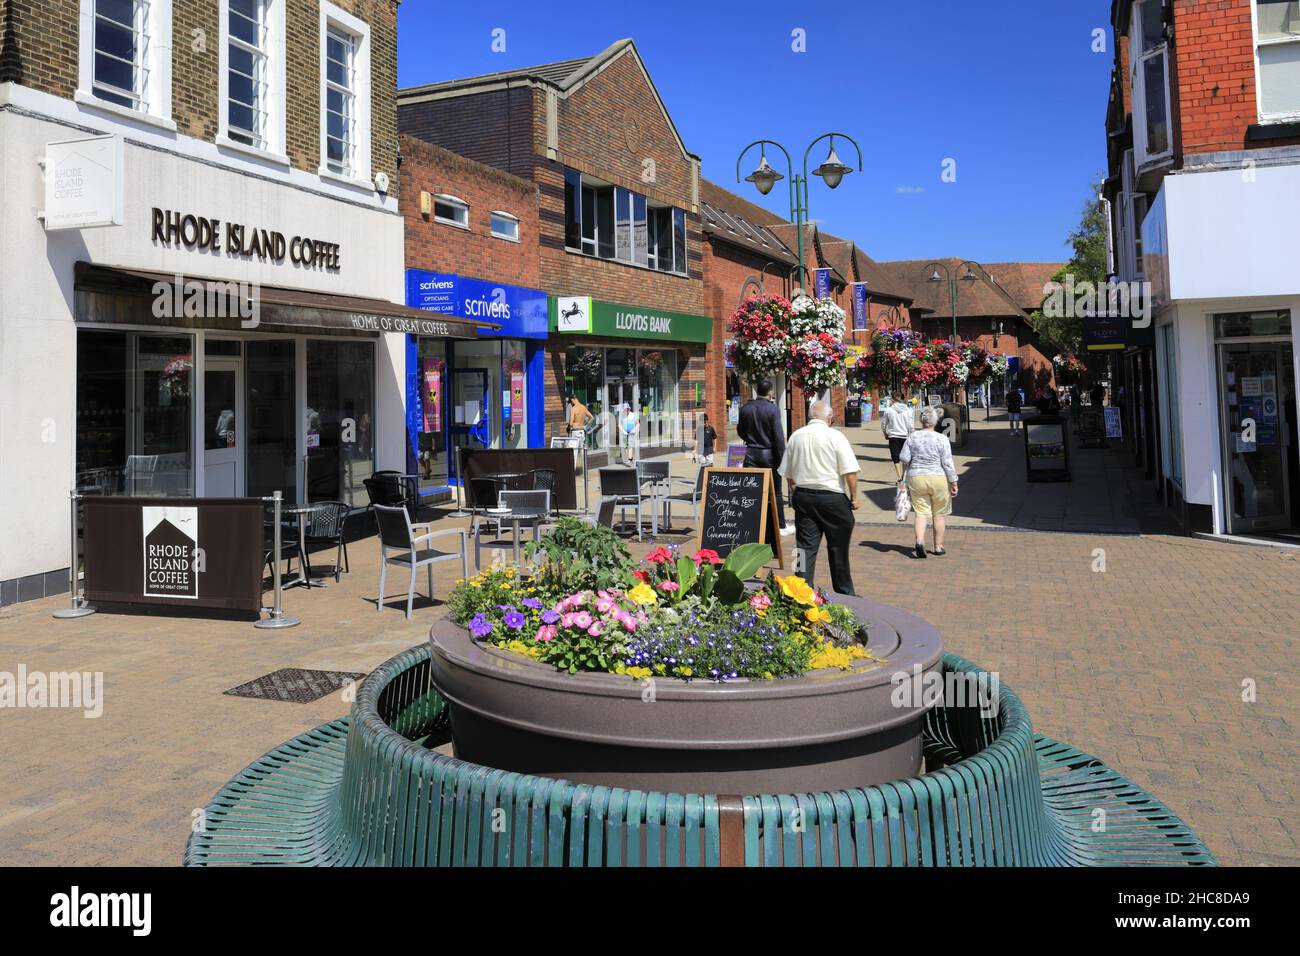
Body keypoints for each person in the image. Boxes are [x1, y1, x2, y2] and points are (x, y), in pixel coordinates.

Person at [779, 401, 860, 595]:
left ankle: (800, 589)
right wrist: (854, 497)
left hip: (804, 495)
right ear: (829, 418)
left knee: (804, 548)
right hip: (831, 496)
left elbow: (787, 473)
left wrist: (795, 490)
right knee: (838, 548)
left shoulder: (796, 436)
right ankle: (844, 592)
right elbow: (850, 472)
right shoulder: (835, 436)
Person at [900, 406, 959, 559]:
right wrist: (953, 482)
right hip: (938, 477)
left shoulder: (912, 437)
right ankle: (938, 546)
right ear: (936, 421)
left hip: (917, 477)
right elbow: (947, 463)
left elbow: (904, 458)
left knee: (921, 513)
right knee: (939, 513)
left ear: (921, 420)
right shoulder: (942, 438)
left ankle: (920, 542)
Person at [738, 378, 793, 534]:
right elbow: (778, 436)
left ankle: (750, 524)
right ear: (770, 392)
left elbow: (740, 430)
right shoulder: (772, 409)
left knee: (751, 490)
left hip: (751, 453)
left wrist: (750, 439)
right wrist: (783, 458)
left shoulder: (745, 408)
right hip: (769, 454)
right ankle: (780, 525)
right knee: (775, 492)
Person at [879, 391, 915, 481]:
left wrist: (885, 433)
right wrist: (912, 434)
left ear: (892, 399)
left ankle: (899, 477)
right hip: (905, 437)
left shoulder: (889, 410)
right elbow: (911, 425)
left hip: (893, 436)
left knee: (896, 458)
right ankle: (904, 476)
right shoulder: (908, 410)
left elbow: (883, 424)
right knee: (905, 457)